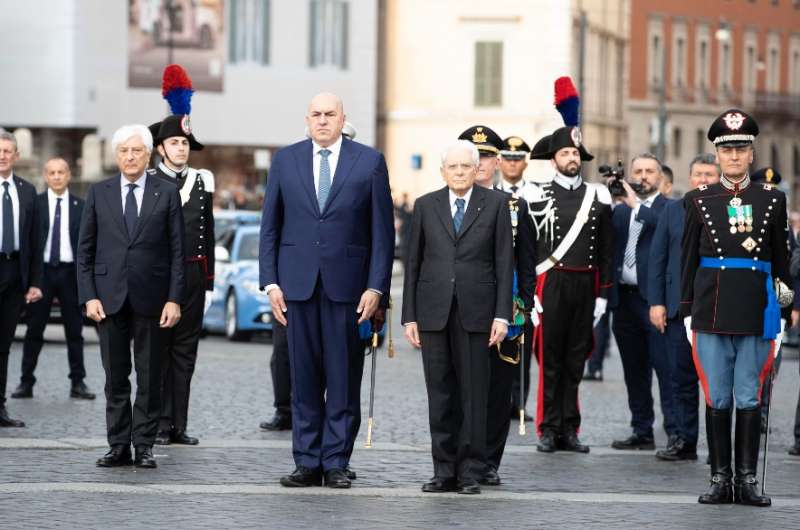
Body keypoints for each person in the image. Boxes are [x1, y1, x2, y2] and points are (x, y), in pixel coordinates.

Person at [259, 93, 394, 489]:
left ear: (342, 119)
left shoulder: (368, 161)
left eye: (329, 114)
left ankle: (335, 461)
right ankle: (306, 462)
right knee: (302, 379)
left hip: (349, 291)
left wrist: (376, 288)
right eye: (316, 114)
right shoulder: (285, 160)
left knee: (342, 379)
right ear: (307, 119)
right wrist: (270, 282)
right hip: (296, 288)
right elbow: (270, 226)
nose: (322, 121)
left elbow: (382, 234)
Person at [682, 109, 790, 507]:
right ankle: (719, 478)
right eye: (726, 150)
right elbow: (687, 258)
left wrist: (785, 306)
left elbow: (782, 258)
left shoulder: (773, 199)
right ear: (716, 155)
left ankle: (746, 480)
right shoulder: (696, 200)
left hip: (756, 306)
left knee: (748, 395)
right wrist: (686, 308)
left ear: (751, 153)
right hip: (711, 307)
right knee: (717, 397)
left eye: (741, 149)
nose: (733, 157)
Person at [402, 140, 513, 495]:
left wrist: (502, 315)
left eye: (466, 166)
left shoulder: (496, 205)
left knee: (473, 395)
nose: (460, 172)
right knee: (441, 394)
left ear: (476, 168)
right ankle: (443, 470)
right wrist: (409, 317)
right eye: (453, 167)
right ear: (443, 171)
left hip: (478, 313)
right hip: (433, 312)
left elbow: (503, 262)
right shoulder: (424, 206)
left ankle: (470, 472)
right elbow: (413, 264)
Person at [78, 124, 185, 468]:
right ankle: (118, 444)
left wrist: (174, 299)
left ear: (149, 153)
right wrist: (89, 296)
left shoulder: (166, 193)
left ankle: (144, 445)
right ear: (116, 156)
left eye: (136, 150)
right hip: (108, 300)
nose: (129, 157)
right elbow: (86, 251)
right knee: (115, 376)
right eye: (123, 151)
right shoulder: (99, 192)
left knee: (150, 376)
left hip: (153, 299)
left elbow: (177, 252)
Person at [524, 125, 613, 453]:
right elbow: (529, 248)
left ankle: (569, 428)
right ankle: (548, 428)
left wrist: (603, 293)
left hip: (585, 284)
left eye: (575, 153)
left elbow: (607, 249)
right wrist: (529, 291)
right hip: (551, 283)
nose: (571, 158)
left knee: (576, 358)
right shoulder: (536, 193)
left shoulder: (598, 195)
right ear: (553, 160)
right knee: (550, 358)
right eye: (565, 153)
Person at [458, 127, 536, 486]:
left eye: (488, 156)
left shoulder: (515, 206)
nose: (482, 163)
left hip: (504, 312)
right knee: (459, 387)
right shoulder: (448, 203)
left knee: (496, 389)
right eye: (476, 156)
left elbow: (527, 262)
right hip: (460, 310)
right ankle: (459, 456)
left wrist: (521, 305)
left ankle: (488, 460)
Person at [149, 65, 215, 446]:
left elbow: (205, 234)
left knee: (186, 354)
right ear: (161, 148)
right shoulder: (152, 182)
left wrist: (207, 283)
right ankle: (157, 422)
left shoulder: (202, 181)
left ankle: (178, 425)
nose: (181, 148)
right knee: (158, 351)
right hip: (159, 277)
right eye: (174, 143)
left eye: (185, 143)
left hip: (192, 277)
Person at [648, 154, 720, 462]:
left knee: (716, 382)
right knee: (680, 379)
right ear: (688, 178)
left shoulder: (728, 211)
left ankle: (719, 446)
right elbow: (657, 258)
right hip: (677, 310)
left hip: (716, 309)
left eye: (709, 174)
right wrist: (656, 302)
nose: (703, 179)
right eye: (698, 174)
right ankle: (682, 439)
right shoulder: (672, 211)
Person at [609, 153, 676, 452]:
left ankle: (675, 431)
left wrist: (636, 205)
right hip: (625, 299)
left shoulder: (669, 209)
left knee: (665, 368)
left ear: (661, 177)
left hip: (655, 302)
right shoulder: (620, 212)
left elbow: (666, 229)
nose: (644, 176)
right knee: (633, 369)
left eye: (650, 171)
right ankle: (641, 429)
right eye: (638, 171)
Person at [12, 159, 94, 401]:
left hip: (70, 274)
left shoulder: (82, 205)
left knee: (75, 331)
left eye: (61, 172)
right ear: (45, 176)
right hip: (42, 274)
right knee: (34, 330)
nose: (57, 176)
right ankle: (26, 382)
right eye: (52, 173)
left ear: (69, 175)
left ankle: (78, 382)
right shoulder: (34, 204)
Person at [0, 130, 43, 427]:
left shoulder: (28, 192)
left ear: (16, 156)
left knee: (3, 344)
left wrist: (36, 282)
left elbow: (35, 240)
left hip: (15, 273)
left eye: (7, 151)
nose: (2, 155)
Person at [495, 135, 537, 418]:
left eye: (517, 158)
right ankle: (499, 399)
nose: (512, 163)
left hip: (528, 277)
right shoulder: (488, 192)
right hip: (498, 280)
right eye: (507, 158)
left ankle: (518, 402)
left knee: (523, 345)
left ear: (525, 162)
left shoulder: (538, 194)